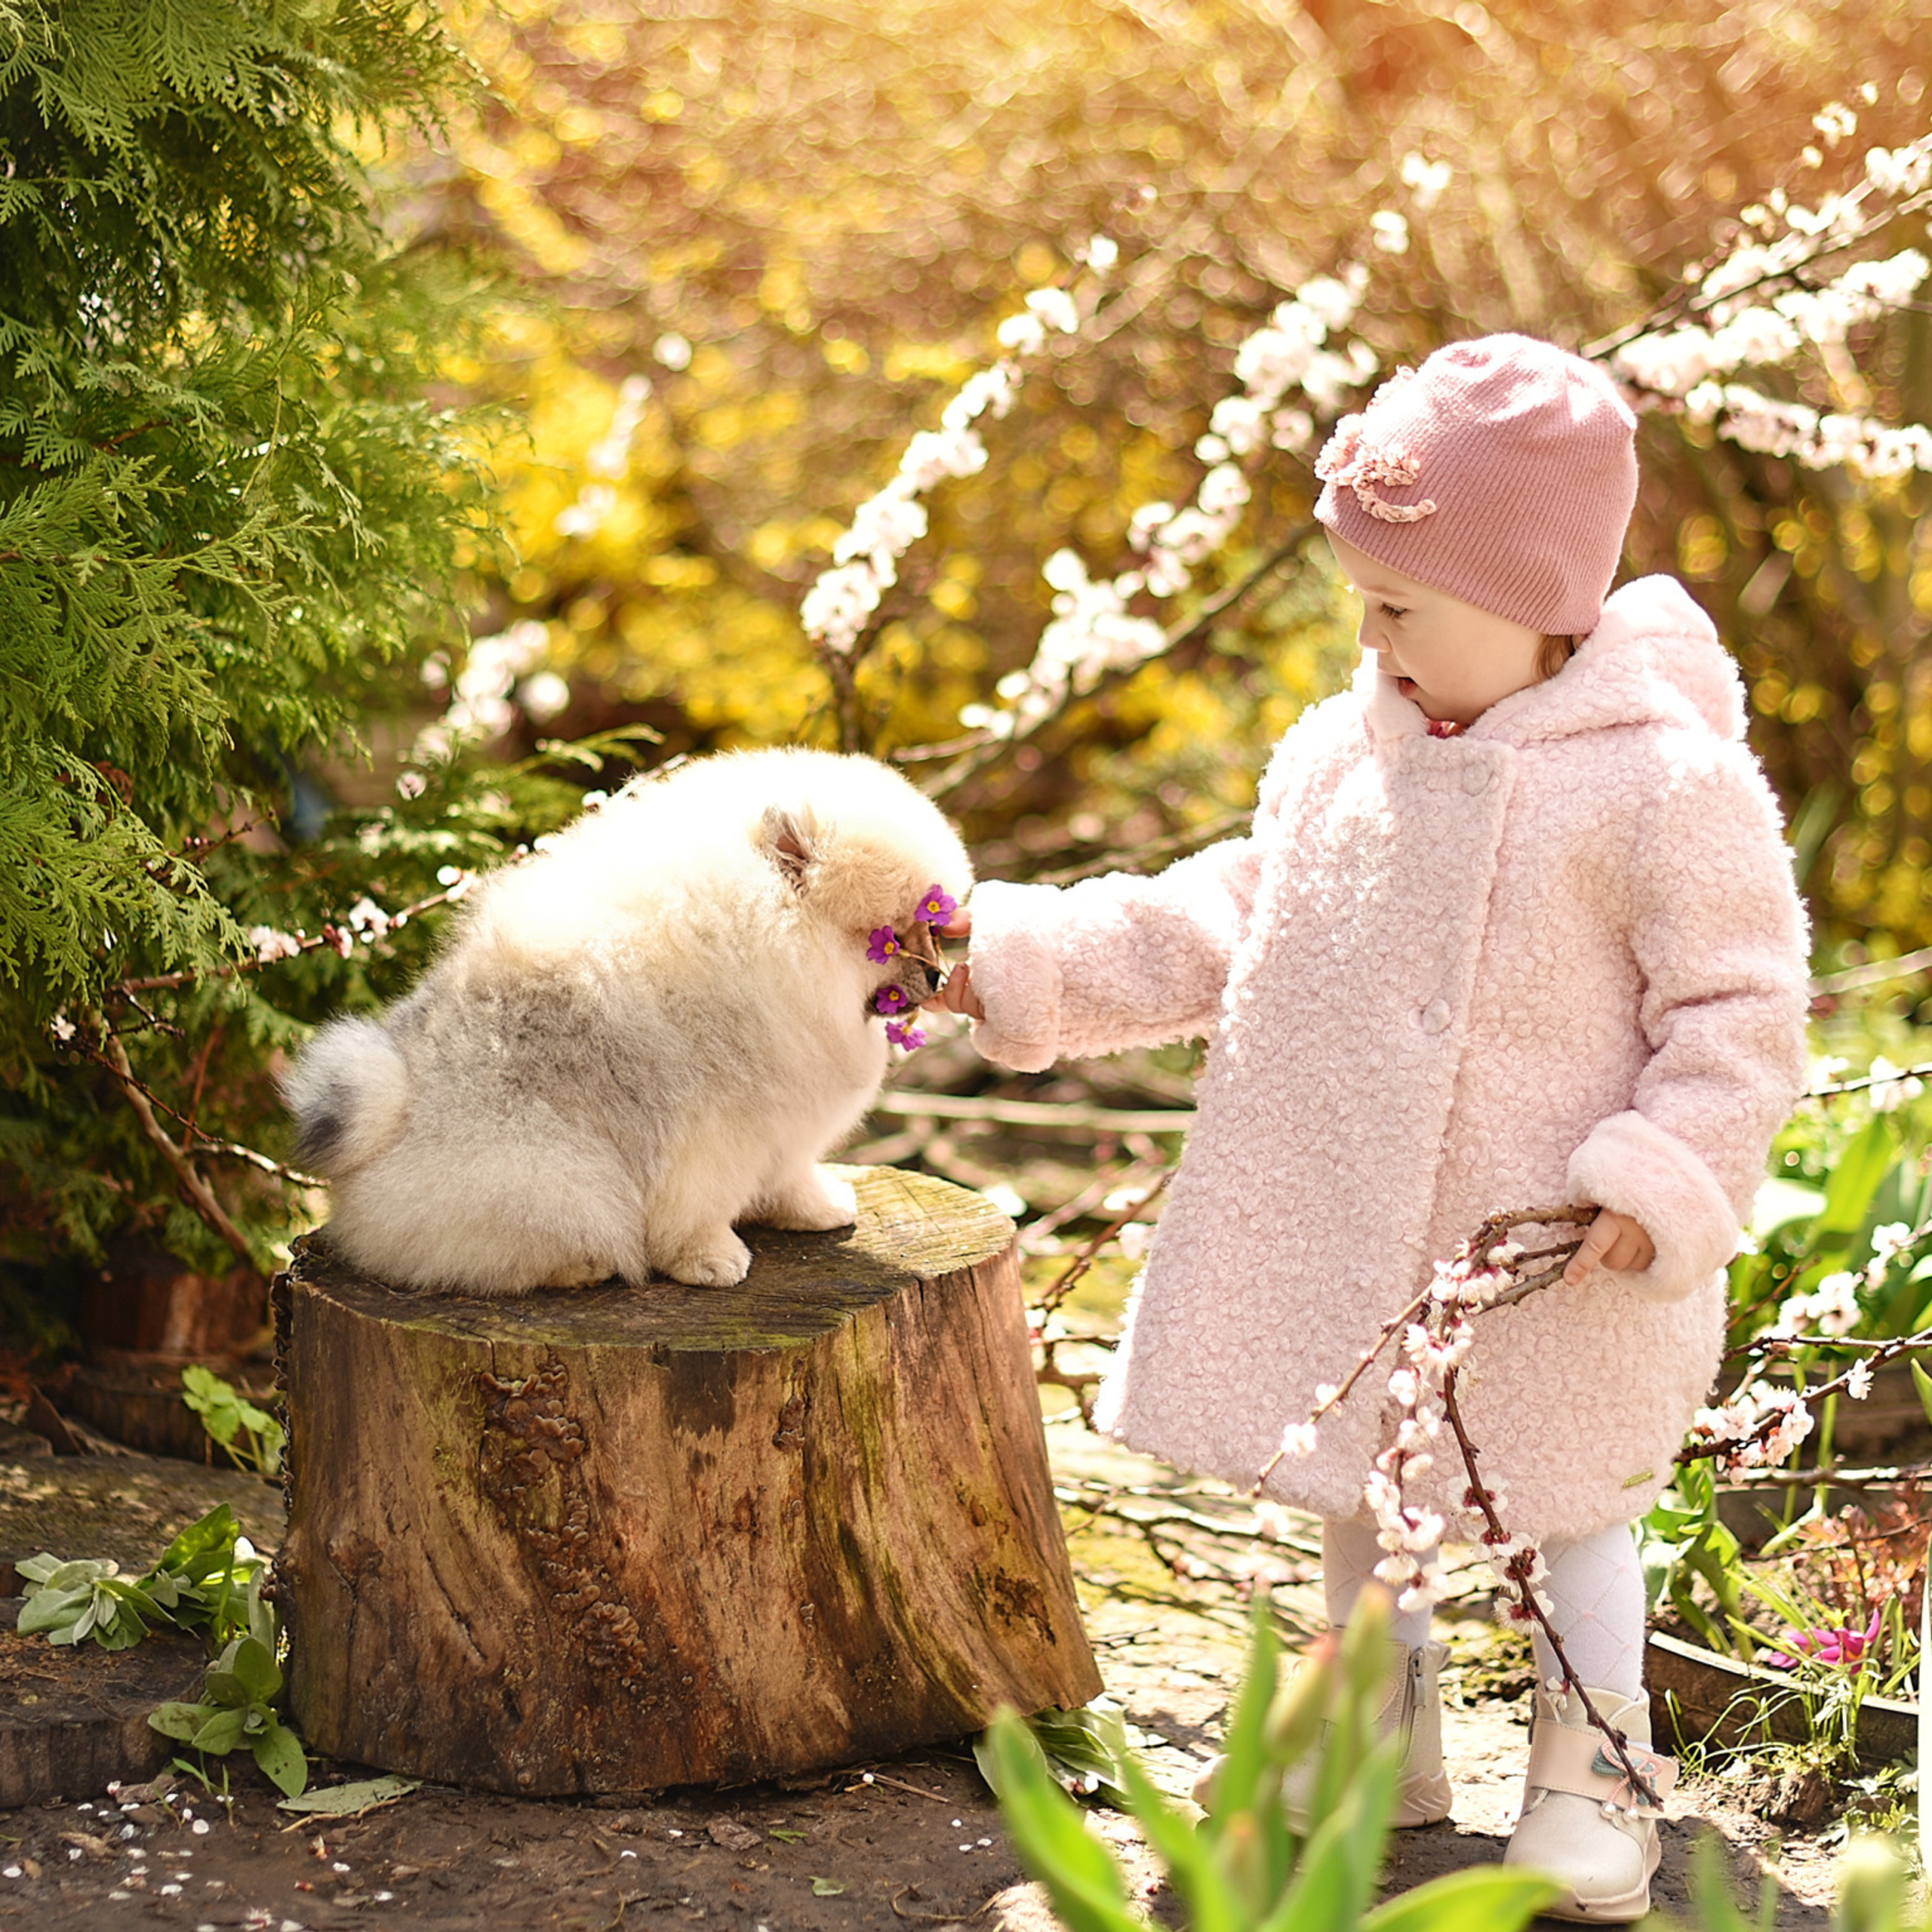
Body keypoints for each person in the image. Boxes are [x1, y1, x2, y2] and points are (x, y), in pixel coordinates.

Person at [931, 334, 1810, 1923]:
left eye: (1401, 605)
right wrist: (1016, 954)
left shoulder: (1665, 786)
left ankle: (1588, 1760)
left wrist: (1663, 1172)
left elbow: (1738, 1011)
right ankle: (1372, 1741)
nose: (1371, 635)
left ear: (1534, 599)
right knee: (1367, 1502)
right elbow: (1224, 920)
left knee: (1571, 1517)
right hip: (1354, 1231)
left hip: (1550, 1252)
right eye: (1365, 599)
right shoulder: (1341, 757)